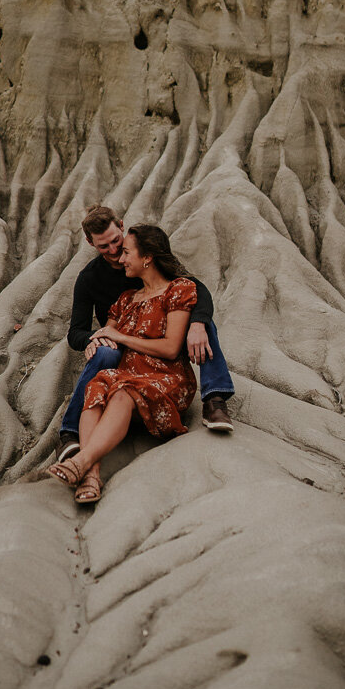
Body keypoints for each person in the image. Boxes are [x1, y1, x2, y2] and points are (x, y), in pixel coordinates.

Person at [57, 205, 234, 464]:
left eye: (117, 242)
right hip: (122, 346)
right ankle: (70, 434)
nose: (115, 251)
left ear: (121, 225)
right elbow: (76, 332)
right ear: (90, 243)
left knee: (203, 324)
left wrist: (198, 322)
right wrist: (95, 338)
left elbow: (196, 289)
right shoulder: (90, 279)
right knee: (105, 350)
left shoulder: (147, 258)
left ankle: (214, 399)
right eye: (103, 247)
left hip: (162, 336)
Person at [48, 224, 199, 503]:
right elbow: (107, 335)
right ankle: (91, 476)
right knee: (97, 386)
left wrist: (119, 336)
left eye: (127, 252)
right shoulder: (126, 299)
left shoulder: (178, 290)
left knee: (121, 390)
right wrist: (96, 341)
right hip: (129, 377)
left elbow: (170, 348)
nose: (120, 258)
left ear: (147, 258)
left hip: (166, 378)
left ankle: (81, 461)